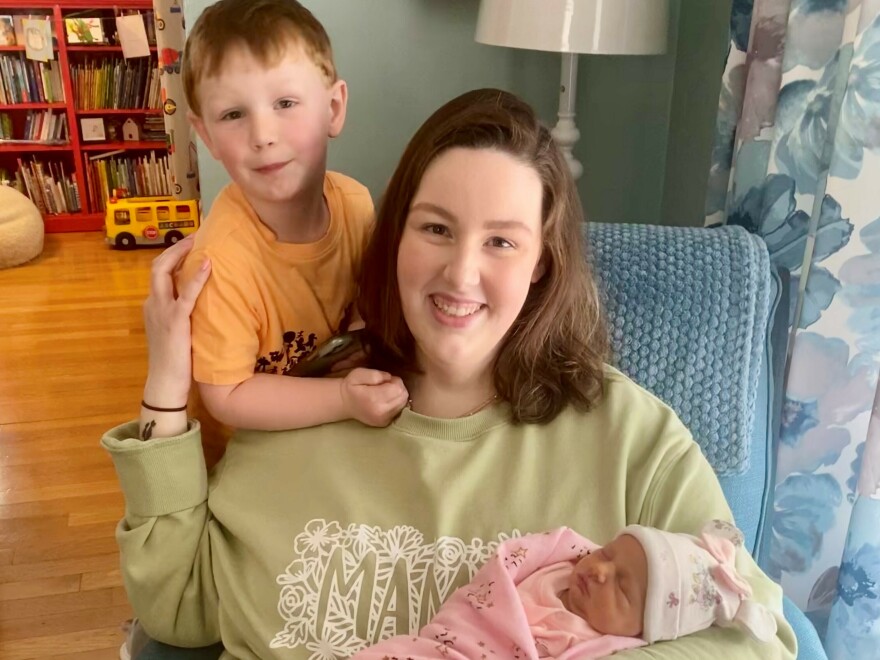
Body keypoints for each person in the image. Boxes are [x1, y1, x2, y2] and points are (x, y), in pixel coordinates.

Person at [103, 88, 797, 659]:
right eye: (435, 228)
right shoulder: (301, 404)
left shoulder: (630, 437)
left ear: (541, 265)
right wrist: (167, 389)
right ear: (395, 238)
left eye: (500, 241)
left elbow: (756, 636)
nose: (460, 274)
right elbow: (177, 609)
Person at [172, 0, 407, 463]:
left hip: (335, 426)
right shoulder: (219, 263)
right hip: (246, 450)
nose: (263, 134)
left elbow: (368, 302)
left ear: (334, 108)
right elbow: (228, 396)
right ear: (206, 136)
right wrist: (342, 398)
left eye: (285, 103)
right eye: (233, 115)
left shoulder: (356, 205)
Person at [353, 523, 777, 659]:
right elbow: (503, 567)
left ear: (641, 629)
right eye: (607, 553)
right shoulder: (560, 560)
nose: (600, 572)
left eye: (623, 588)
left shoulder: (600, 644)